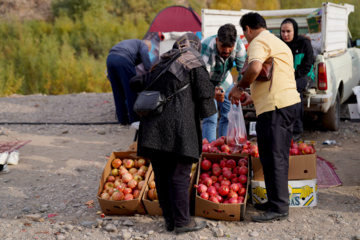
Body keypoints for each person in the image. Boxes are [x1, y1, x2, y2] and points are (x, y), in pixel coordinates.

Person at [130, 33, 216, 233]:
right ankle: (183, 222)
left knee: (161, 175)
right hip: (178, 129)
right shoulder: (194, 61)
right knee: (179, 174)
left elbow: (141, 83)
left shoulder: (162, 62)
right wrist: (211, 106)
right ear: (195, 47)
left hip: (152, 128)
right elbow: (205, 98)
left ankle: (169, 220)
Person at [228, 12, 301, 222]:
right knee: (275, 157)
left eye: (245, 33)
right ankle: (276, 201)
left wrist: (238, 87)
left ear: (248, 29)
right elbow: (274, 75)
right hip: (287, 104)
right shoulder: (277, 43)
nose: (246, 37)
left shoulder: (259, 42)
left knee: (274, 157)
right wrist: (253, 98)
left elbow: (255, 68)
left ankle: (279, 208)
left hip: (276, 108)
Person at [201, 23, 246, 143]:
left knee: (228, 115)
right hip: (208, 83)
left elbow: (243, 72)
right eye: (223, 46)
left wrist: (239, 89)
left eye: (230, 47)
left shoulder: (239, 45)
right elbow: (201, 79)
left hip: (226, 81)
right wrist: (211, 93)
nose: (226, 50)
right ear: (217, 40)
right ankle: (209, 150)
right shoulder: (206, 47)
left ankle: (223, 148)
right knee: (211, 118)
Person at [280, 18, 314, 141]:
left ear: (295, 31)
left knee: (294, 90)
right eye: (283, 31)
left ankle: (297, 129)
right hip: (285, 76)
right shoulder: (279, 44)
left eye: (288, 31)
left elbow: (307, 66)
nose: (285, 35)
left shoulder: (305, 43)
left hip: (303, 75)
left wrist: (290, 78)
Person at [106, 39, 152, 125]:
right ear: (148, 47)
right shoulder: (143, 45)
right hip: (123, 60)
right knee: (131, 91)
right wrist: (150, 71)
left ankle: (122, 120)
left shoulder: (132, 43)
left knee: (118, 92)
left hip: (110, 59)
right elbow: (144, 53)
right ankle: (134, 120)